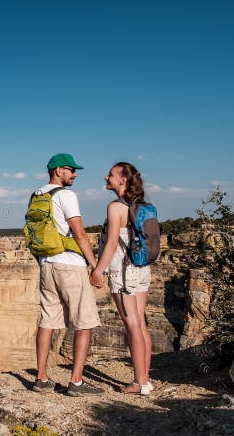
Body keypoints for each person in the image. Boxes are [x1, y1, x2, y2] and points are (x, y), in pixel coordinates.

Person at [31, 153, 104, 396]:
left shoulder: (37, 195)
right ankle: (76, 382)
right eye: (71, 169)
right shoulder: (66, 195)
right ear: (58, 170)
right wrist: (94, 265)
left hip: (46, 265)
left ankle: (41, 378)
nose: (75, 174)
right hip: (69, 265)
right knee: (83, 322)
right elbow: (79, 233)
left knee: (47, 320)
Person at [90, 162, 153, 395]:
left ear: (123, 180)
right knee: (140, 323)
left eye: (111, 175)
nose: (106, 178)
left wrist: (98, 270)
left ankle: (139, 382)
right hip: (141, 269)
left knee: (132, 325)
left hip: (123, 272)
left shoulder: (115, 207)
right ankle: (145, 379)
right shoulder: (141, 205)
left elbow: (112, 242)